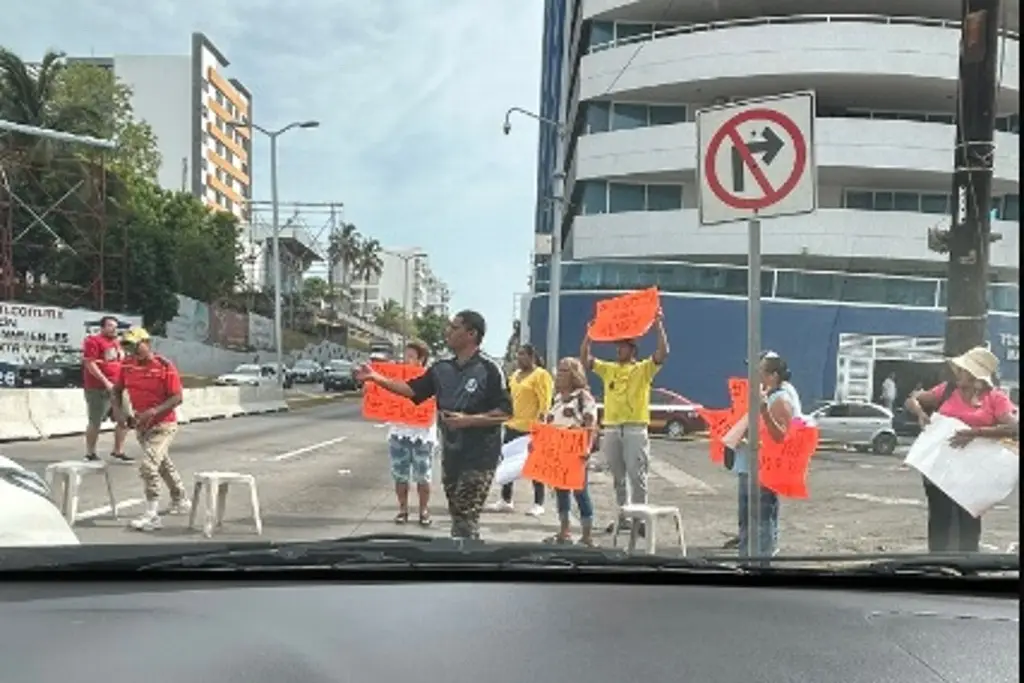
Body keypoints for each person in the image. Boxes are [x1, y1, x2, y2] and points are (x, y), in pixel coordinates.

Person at [356, 310, 511, 540]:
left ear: (471, 334)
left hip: (481, 456)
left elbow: (505, 412)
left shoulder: (489, 369)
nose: (447, 331)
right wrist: (375, 378)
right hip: (452, 455)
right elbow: (411, 390)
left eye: (454, 327)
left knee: (466, 517)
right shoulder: (441, 369)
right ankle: (467, 556)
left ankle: (464, 562)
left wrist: (468, 421)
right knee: (459, 515)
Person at [904, 346, 1018, 553]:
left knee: (968, 519)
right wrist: (920, 413)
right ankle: (937, 563)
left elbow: (1014, 427)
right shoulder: (947, 390)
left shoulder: (995, 398)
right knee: (939, 516)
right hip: (940, 467)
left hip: (972, 471)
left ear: (976, 376)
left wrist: (976, 433)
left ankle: (967, 568)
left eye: (963, 370)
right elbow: (913, 399)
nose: (958, 374)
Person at [580, 308, 669, 535]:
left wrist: (658, 325)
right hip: (612, 429)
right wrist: (589, 335)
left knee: (637, 476)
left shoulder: (642, 369)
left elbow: (663, 352)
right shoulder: (609, 369)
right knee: (618, 478)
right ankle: (624, 517)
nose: (618, 349)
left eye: (623, 346)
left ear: (632, 349)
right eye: (617, 346)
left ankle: (640, 519)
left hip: (634, 429)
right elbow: (585, 360)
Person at [110, 327, 192, 532]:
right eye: (127, 347)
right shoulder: (127, 365)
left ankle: (152, 514)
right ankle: (180, 499)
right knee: (162, 464)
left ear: (147, 343)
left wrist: (154, 411)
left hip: (163, 425)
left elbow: (177, 397)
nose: (131, 351)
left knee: (148, 465)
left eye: (135, 346)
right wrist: (119, 412)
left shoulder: (164, 366)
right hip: (141, 425)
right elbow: (116, 390)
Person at [732, 351, 801, 558]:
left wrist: (764, 411)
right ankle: (745, 561)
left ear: (773, 376)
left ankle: (761, 564)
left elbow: (782, 436)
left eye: (760, 370)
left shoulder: (781, 399)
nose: (755, 374)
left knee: (762, 520)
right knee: (745, 520)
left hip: (765, 471)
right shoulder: (760, 395)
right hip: (747, 467)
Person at [487, 344, 553, 516]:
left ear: (532, 357)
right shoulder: (515, 375)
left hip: (531, 429)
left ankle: (538, 503)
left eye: (522, 354)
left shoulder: (541, 375)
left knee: (534, 465)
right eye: (518, 355)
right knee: (508, 463)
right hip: (512, 426)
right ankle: (506, 499)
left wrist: (541, 425)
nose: (519, 358)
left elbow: (545, 402)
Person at [542, 357, 598, 546]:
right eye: (559, 370)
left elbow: (590, 424)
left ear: (575, 374)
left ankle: (587, 535)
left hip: (576, 452)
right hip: (558, 452)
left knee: (580, 492)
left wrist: (587, 448)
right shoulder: (556, 398)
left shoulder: (583, 397)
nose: (560, 374)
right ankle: (564, 531)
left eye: (565, 370)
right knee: (561, 492)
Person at [388, 340, 436, 527]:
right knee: (400, 475)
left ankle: (424, 510)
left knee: (423, 476)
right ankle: (403, 509)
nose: (405, 359)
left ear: (421, 359)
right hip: (399, 432)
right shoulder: (395, 376)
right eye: (404, 355)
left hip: (422, 434)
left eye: (410, 356)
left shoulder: (431, 377)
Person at [82, 316, 131, 463]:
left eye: (115, 326)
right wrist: (105, 382)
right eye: (110, 326)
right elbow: (90, 364)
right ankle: (90, 453)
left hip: (118, 388)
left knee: (125, 419)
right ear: (102, 327)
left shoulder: (118, 344)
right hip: (98, 389)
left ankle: (118, 450)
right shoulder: (93, 341)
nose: (114, 329)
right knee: (95, 421)